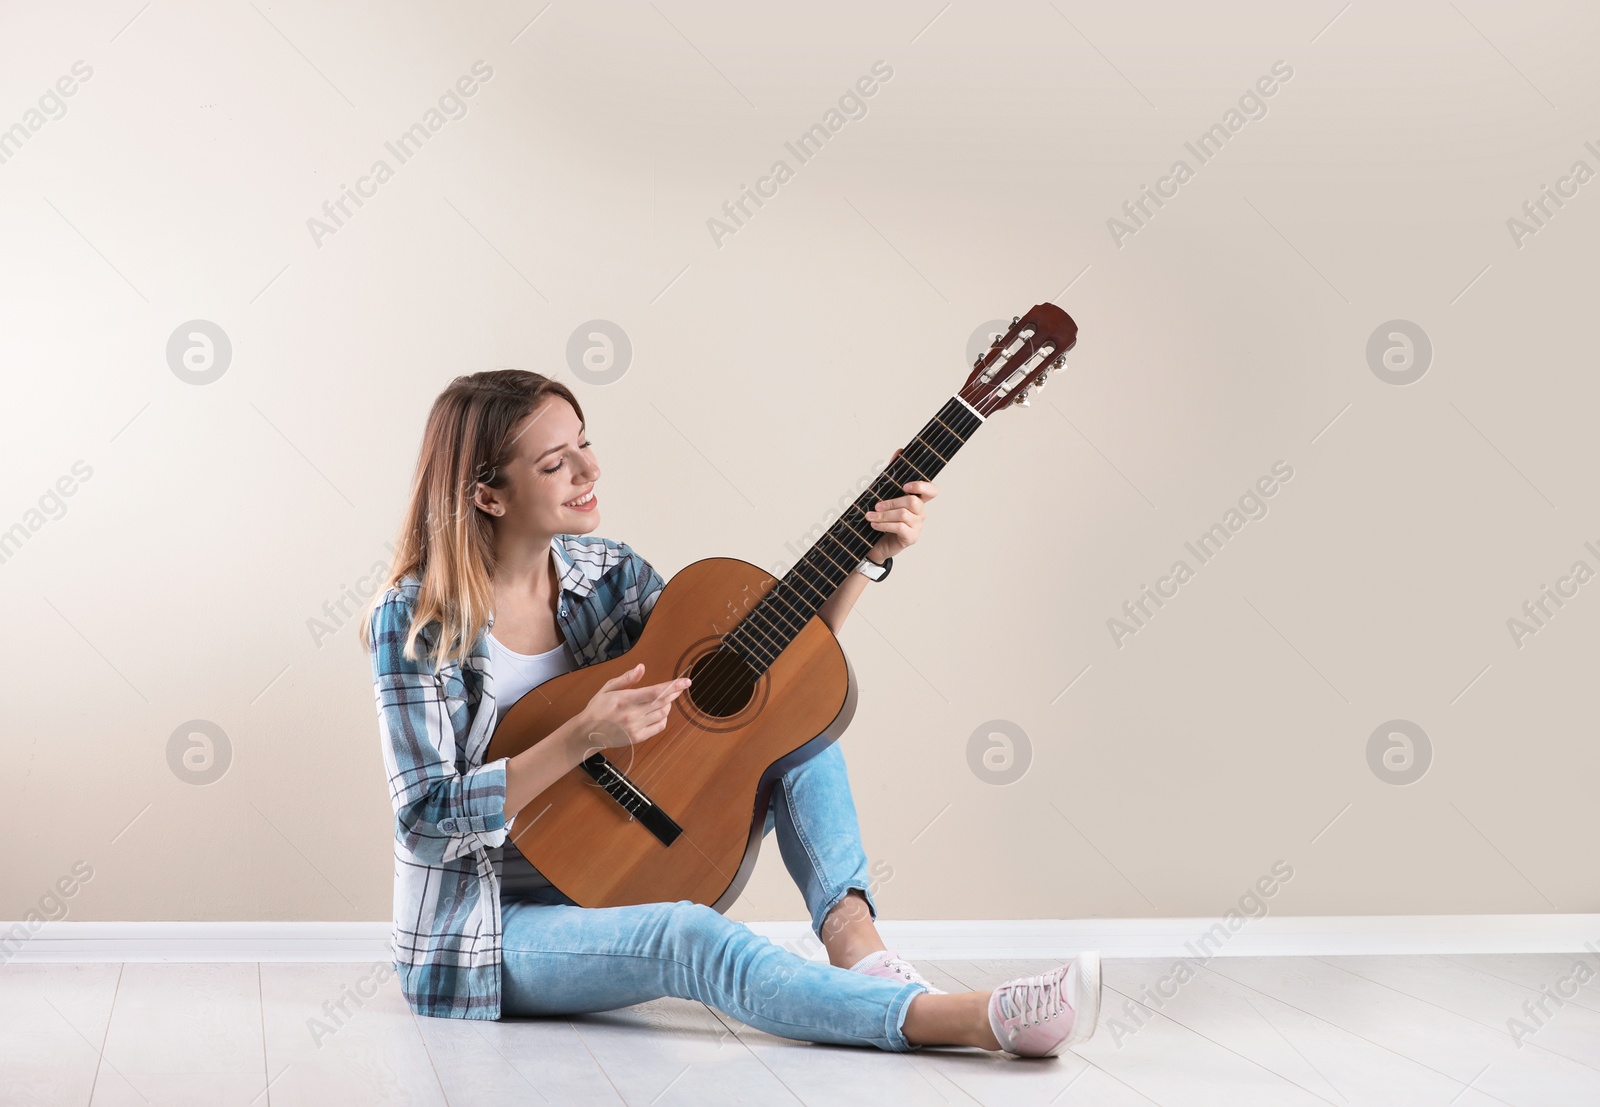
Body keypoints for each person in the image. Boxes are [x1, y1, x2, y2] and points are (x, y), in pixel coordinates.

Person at [361, 369, 1101, 1056]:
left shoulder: (609, 575)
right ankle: (965, 1017)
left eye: (585, 444)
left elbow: (758, 685)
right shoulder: (419, 619)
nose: (589, 471)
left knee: (800, 739)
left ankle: (861, 948)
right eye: (555, 464)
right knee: (690, 935)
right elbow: (423, 819)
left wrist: (865, 561)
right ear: (488, 494)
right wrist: (581, 734)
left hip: (615, 850)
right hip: (485, 923)